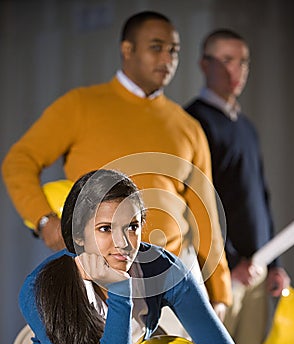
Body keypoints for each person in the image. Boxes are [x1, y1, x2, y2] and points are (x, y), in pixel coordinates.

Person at [2, 11, 232, 319]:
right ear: (128, 50)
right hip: (98, 278)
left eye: (174, 50)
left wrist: (220, 294)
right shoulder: (80, 106)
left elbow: (205, 215)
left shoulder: (188, 127)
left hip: (173, 278)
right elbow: (19, 161)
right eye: (156, 47)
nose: (167, 58)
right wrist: (44, 222)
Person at [19, 168, 247, 344]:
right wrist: (120, 292)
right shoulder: (41, 285)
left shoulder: (164, 270)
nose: (123, 242)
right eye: (105, 229)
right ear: (78, 235)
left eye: (133, 226)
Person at [185, 29, 290, 344]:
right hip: (217, 272)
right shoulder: (193, 121)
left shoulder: (245, 126)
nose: (235, 70)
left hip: (258, 268)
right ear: (204, 64)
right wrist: (229, 260)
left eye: (241, 61)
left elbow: (260, 198)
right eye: (225, 60)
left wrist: (274, 264)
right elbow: (197, 200)